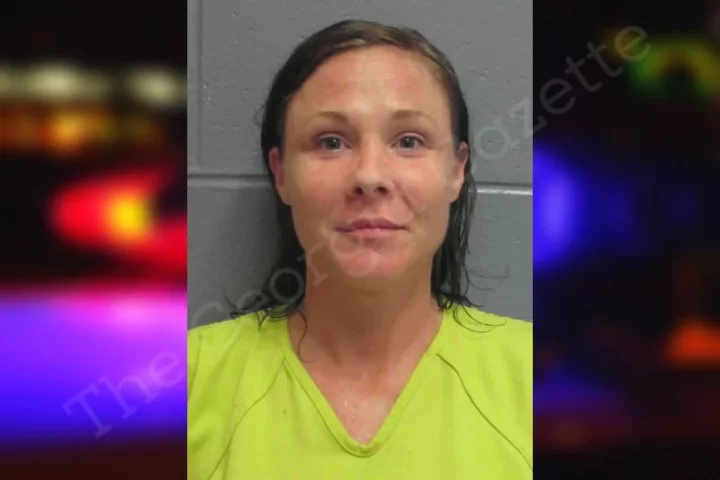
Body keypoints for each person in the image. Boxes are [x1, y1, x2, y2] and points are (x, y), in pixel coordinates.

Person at [188, 19, 532, 479]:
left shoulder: (542, 383)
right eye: (331, 142)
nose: (370, 176)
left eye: (409, 141)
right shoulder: (184, 383)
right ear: (281, 173)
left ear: (456, 170)